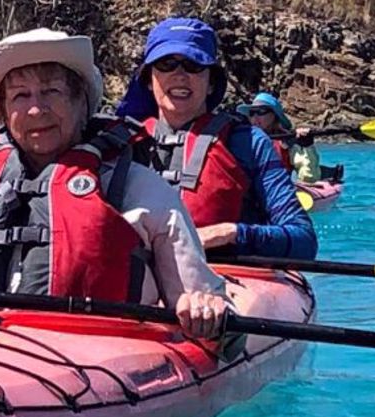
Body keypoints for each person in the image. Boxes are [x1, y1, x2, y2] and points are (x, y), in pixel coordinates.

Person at [0, 28, 234, 339]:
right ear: (3, 113)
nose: (35, 110)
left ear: (82, 102)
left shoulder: (143, 193)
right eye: (20, 96)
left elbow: (205, 305)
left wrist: (202, 308)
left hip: (97, 369)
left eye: (51, 93)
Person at [115, 17, 317, 260]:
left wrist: (230, 233)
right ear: (148, 79)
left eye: (194, 65)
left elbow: (304, 240)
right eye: (166, 63)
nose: (180, 74)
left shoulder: (248, 143)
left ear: (211, 83)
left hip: (223, 279)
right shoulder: (119, 142)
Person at [246, 90, 323, 184]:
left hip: (277, 192)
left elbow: (310, 178)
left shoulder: (287, 142)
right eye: (252, 112)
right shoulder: (242, 139)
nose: (255, 117)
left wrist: (307, 146)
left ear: (274, 115)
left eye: (261, 111)